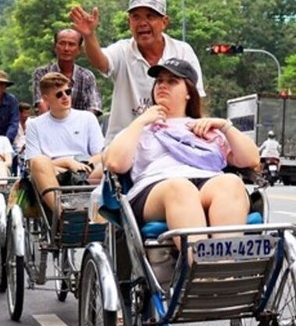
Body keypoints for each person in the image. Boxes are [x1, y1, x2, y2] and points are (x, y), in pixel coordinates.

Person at [103, 58, 259, 249]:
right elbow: (115, 164)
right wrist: (140, 122)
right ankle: (199, 273)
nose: (163, 86)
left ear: (188, 93)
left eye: (172, 81)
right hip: (157, 189)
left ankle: (222, 268)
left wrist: (225, 126)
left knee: (231, 182)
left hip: (206, 181)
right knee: (181, 188)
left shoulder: (206, 127)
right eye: (159, 81)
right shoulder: (141, 128)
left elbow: (251, 159)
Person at [70, 0, 205, 142]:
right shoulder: (122, 50)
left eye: (150, 16)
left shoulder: (182, 51)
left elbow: (196, 96)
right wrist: (89, 36)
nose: (142, 23)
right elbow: (101, 62)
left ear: (164, 22)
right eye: (136, 17)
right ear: (129, 22)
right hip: (124, 146)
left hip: (171, 143)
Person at [24, 72, 105, 211]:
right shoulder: (34, 125)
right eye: (59, 94)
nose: (65, 97)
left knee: (111, 158)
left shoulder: (88, 118)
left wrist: (82, 165)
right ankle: (61, 216)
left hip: (86, 170)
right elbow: (33, 164)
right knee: (39, 162)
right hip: (53, 174)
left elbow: (99, 154)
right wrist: (67, 162)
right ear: (46, 98)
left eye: (68, 92)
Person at [32, 29, 103, 116]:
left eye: (71, 44)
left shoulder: (87, 76)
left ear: (79, 49)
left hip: (80, 126)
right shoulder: (42, 73)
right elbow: (41, 102)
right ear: (55, 46)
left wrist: (80, 124)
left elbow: (94, 106)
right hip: (50, 124)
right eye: (62, 43)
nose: (66, 48)